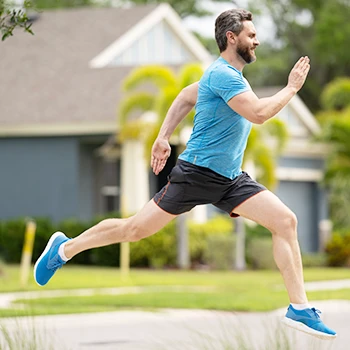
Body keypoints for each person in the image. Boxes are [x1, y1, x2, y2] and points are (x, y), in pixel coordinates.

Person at [34, 8, 336, 339]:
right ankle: (64, 248)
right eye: (251, 35)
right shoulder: (223, 76)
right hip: (195, 175)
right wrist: (292, 87)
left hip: (229, 180)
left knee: (285, 221)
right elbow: (259, 113)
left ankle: (299, 308)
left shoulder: (224, 77)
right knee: (134, 229)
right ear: (231, 38)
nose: (257, 40)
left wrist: (164, 136)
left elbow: (184, 97)